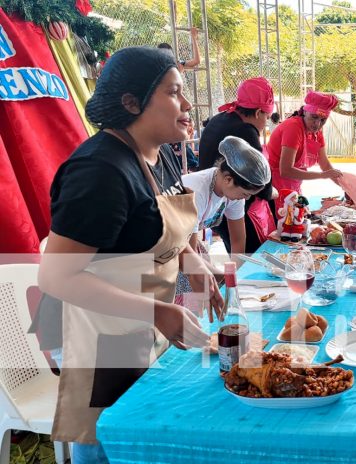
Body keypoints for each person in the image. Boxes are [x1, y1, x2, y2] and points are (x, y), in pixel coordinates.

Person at [38, 47, 223, 463]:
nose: (188, 104)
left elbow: (166, 231)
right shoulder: (99, 171)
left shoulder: (159, 155)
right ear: (131, 102)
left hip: (145, 331)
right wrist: (156, 312)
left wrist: (192, 259)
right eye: (175, 92)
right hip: (103, 343)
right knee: (111, 442)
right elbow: (56, 278)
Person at [198, 77, 276, 253]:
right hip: (224, 201)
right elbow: (262, 185)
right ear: (258, 113)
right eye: (267, 117)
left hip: (216, 203)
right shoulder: (246, 130)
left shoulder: (220, 118)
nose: (265, 123)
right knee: (252, 257)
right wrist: (275, 192)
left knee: (237, 255)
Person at [183, 136, 270, 257]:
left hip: (183, 241)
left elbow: (238, 239)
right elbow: (188, 260)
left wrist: (235, 272)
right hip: (158, 247)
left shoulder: (232, 192)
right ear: (228, 180)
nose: (246, 199)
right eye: (246, 194)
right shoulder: (196, 193)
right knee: (205, 271)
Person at [266, 90, 343, 194]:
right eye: (314, 117)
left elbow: (325, 165)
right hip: (274, 186)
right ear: (305, 111)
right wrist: (322, 175)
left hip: (293, 185)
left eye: (323, 120)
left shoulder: (316, 133)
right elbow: (285, 170)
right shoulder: (294, 128)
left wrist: (347, 187)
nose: (317, 124)